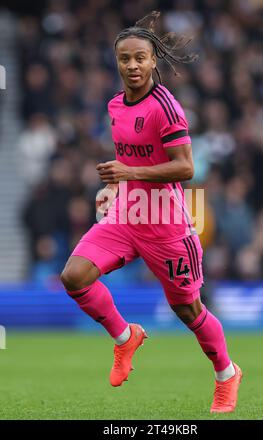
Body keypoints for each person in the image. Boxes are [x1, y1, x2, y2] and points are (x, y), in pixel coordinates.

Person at [60, 11, 242, 414]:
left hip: (167, 222)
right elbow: (129, 161)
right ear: (117, 62)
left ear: (153, 60)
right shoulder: (114, 106)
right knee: (74, 276)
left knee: (188, 310)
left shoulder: (167, 108)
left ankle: (226, 374)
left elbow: (185, 167)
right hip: (128, 214)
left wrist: (129, 172)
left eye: (140, 57)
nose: (133, 65)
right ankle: (125, 337)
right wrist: (113, 188)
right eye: (125, 59)